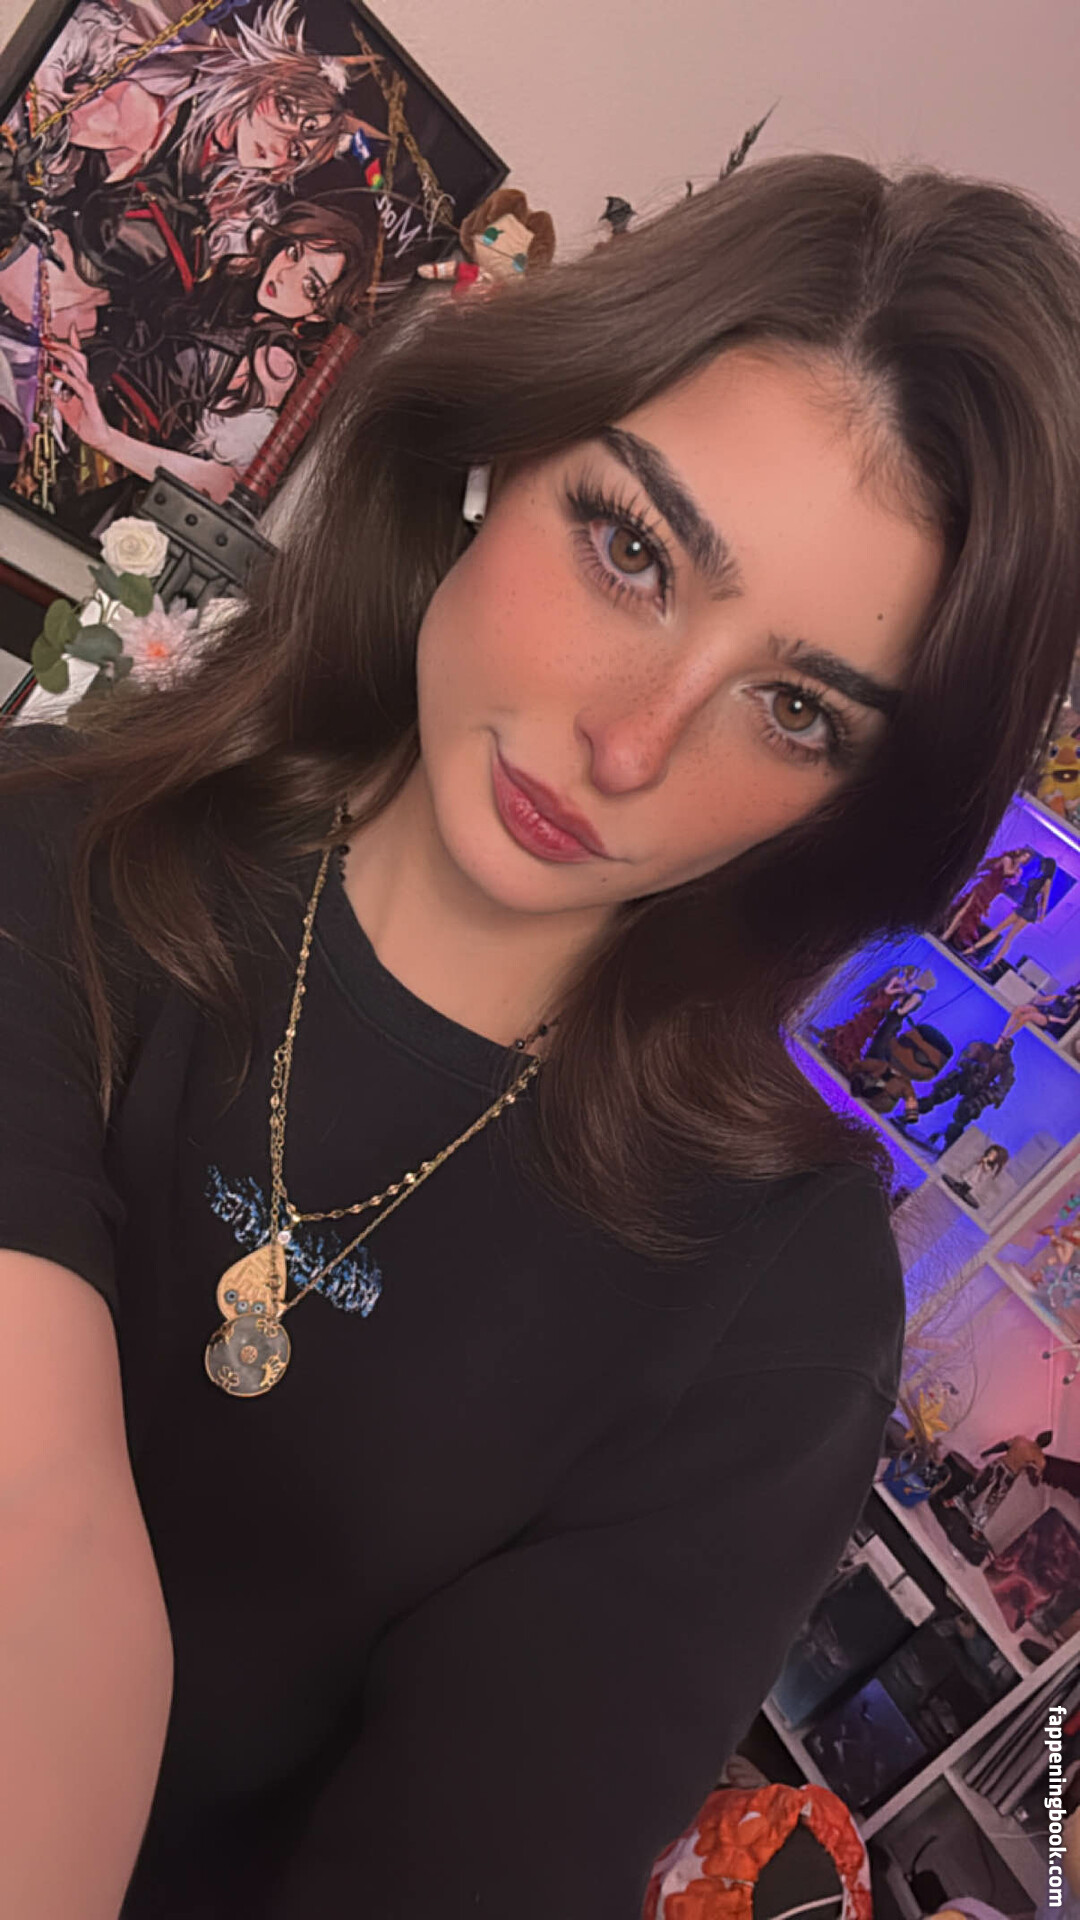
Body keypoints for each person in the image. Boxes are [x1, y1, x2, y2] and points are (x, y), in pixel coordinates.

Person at [2, 152, 1080, 1919]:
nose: (634, 743)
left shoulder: (779, 1308)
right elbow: (33, 1536)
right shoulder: (55, 846)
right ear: (500, 455)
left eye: (795, 708)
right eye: (632, 550)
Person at [46, 201, 371, 502]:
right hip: (69, 413)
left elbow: (222, 485)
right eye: (293, 253)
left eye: (310, 285)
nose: (285, 274)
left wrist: (106, 440)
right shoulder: (231, 294)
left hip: (109, 477)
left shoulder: (274, 363)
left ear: (319, 314)